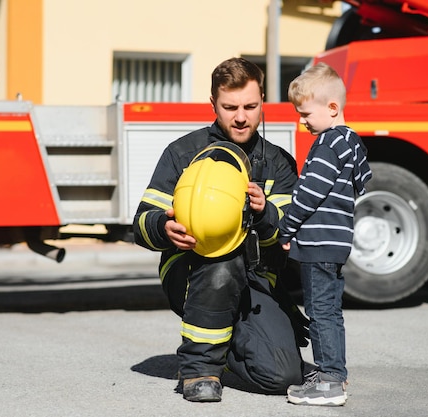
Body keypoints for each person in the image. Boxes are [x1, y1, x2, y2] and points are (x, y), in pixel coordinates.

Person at [132, 57, 301, 402]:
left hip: (256, 280)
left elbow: (288, 235)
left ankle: (221, 355)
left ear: (262, 102)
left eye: (251, 106)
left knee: (282, 375)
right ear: (213, 104)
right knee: (222, 257)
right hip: (194, 270)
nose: (241, 117)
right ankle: (198, 370)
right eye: (230, 107)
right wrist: (164, 228)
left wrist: (265, 211)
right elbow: (140, 224)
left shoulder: (278, 162)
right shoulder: (183, 154)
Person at [278, 62, 372, 406]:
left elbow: (308, 194)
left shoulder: (327, 144)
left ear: (332, 108)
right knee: (331, 310)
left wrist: (286, 227)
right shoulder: (352, 144)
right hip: (336, 242)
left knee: (320, 312)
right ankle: (335, 372)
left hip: (317, 244)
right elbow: (363, 181)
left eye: (305, 113)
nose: (302, 120)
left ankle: (329, 382)